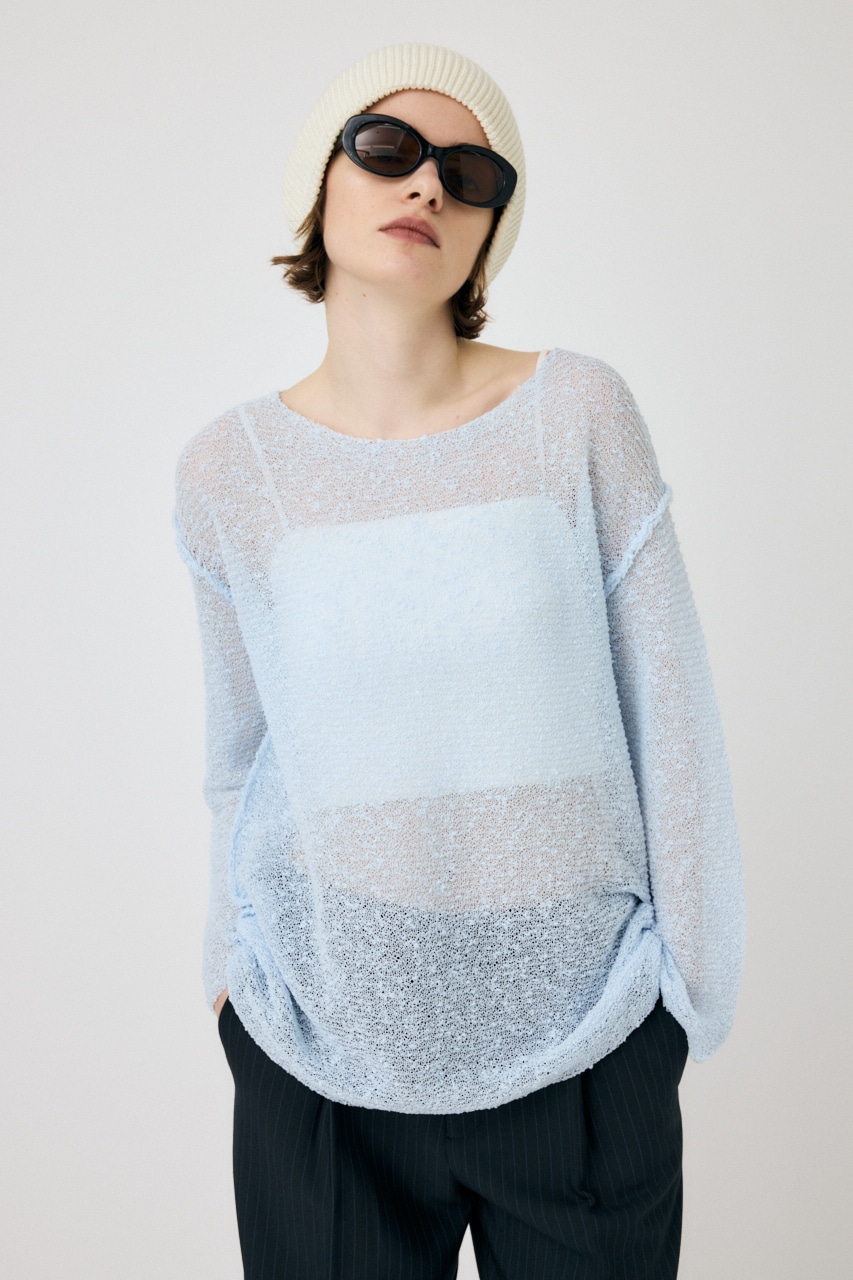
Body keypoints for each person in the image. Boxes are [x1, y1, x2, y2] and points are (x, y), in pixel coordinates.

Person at [173, 42, 746, 1280]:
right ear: (320, 183)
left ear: (490, 228)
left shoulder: (576, 412)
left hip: (587, 1037)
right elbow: (239, 753)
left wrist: (682, 1001)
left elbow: (672, 714)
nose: (427, 184)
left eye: (470, 173)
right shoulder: (229, 470)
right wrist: (229, 973)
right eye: (387, 148)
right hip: (319, 1048)